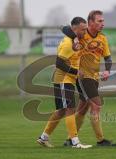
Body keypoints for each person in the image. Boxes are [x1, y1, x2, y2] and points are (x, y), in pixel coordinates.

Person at [62, 10, 116, 146]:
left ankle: (70, 138)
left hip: (94, 77)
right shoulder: (81, 34)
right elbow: (64, 28)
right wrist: (74, 38)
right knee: (97, 105)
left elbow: (108, 58)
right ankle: (100, 140)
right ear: (90, 23)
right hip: (83, 76)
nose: (102, 23)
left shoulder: (102, 38)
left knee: (83, 108)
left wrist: (107, 71)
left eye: (103, 21)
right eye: (99, 21)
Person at [37, 17, 92, 149]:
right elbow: (59, 63)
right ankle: (75, 142)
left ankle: (43, 138)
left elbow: (65, 27)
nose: (85, 31)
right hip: (63, 79)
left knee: (61, 111)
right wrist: (75, 72)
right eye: (83, 29)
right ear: (75, 29)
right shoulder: (68, 43)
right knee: (70, 109)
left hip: (68, 79)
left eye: (86, 29)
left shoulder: (74, 38)